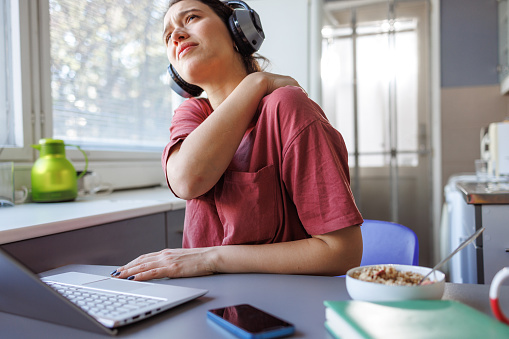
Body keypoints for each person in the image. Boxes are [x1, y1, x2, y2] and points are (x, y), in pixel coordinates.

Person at [111, 0, 363, 281]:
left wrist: (212, 257)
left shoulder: (287, 106)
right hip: (201, 305)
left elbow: (342, 252)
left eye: (191, 18)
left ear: (238, 31)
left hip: (277, 306)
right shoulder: (192, 113)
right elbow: (186, 180)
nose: (176, 36)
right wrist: (257, 82)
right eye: (168, 35)